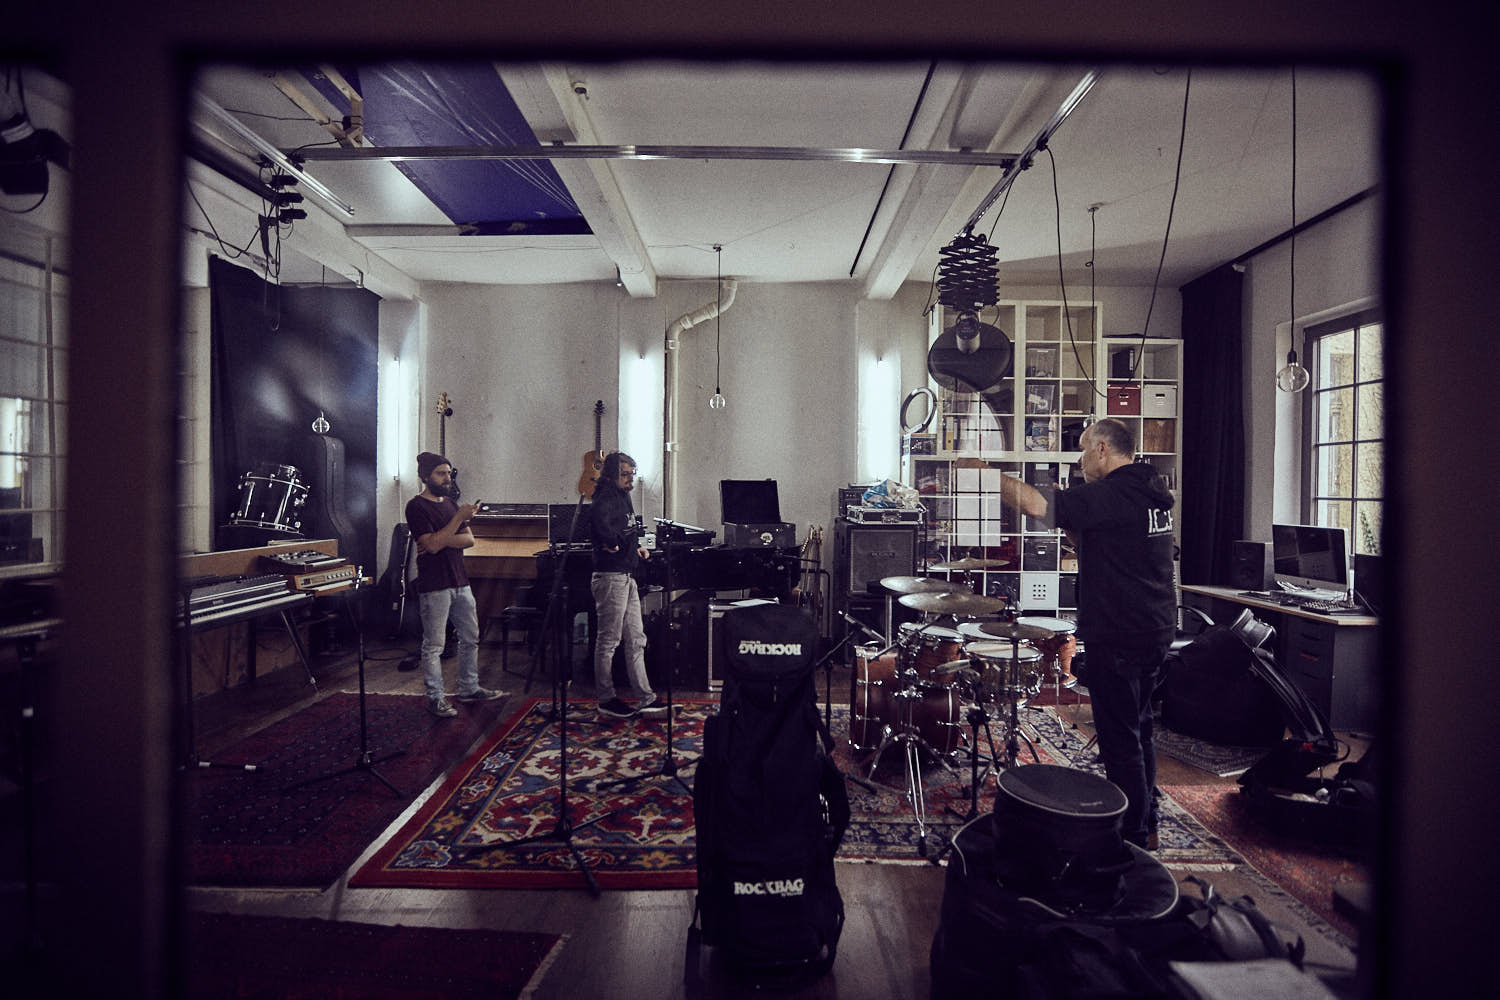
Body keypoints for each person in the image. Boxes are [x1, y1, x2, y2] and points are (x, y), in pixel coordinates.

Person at [996, 418, 1176, 849]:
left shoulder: (1112, 494)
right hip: (1154, 627)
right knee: (1140, 728)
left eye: (1082, 449)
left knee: (1120, 741)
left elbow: (1036, 504)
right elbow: (1116, 544)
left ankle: (1131, 838)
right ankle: (1147, 820)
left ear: (1102, 449)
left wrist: (986, 475)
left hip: (1120, 633)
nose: (1080, 459)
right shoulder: (1150, 490)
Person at [405, 451, 505, 717]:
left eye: (449, 473)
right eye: (441, 473)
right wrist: (457, 522)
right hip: (434, 585)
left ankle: (469, 688)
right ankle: (436, 698)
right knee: (434, 645)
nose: (447, 478)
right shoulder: (416, 507)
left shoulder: (450, 504)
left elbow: (468, 540)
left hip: (460, 581)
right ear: (426, 476)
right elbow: (432, 546)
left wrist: (439, 538)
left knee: (471, 637)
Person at [589, 451, 667, 718]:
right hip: (610, 577)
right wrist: (614, 544)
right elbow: (602, 529)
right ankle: (606, 699)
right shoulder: (603, 498)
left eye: (632, 474)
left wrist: (635, 549)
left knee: (636, 639)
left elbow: (627, 529)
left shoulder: (624, 496)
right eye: (625, 474)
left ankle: (646, 698)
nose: (630, 479)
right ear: (612, 474)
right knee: (608, 641)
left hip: (626, 575)